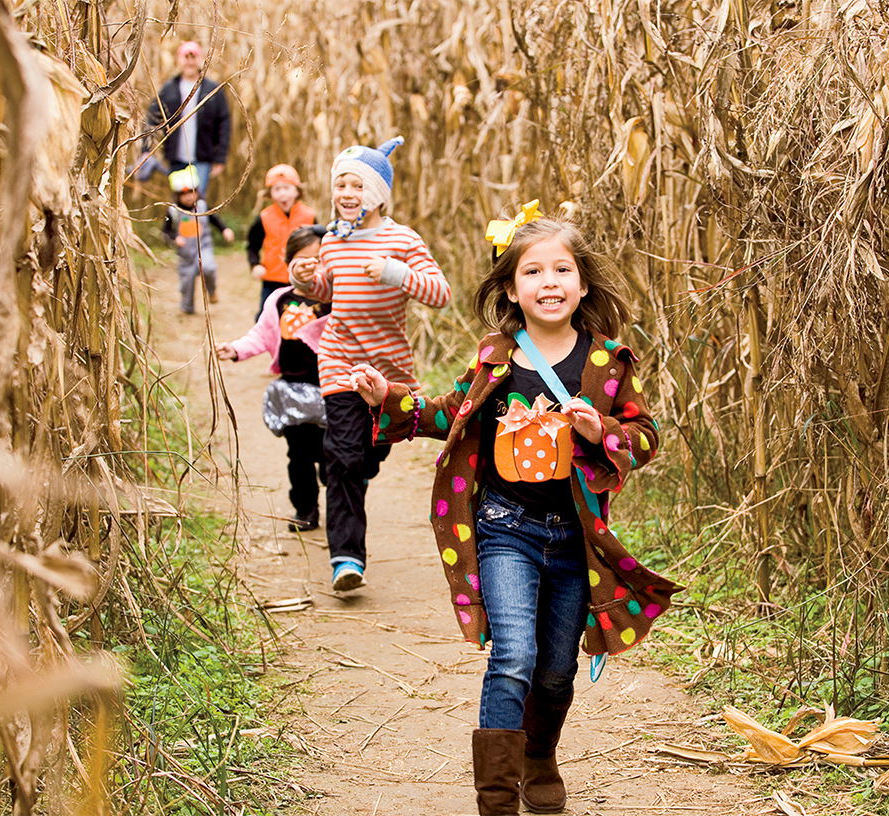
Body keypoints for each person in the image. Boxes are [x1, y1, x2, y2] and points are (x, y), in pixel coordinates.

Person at [344, 204, 682, 816]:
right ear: (510, 287)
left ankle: (539, 757)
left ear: (582, 284)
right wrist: (390, 399)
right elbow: (453, 411)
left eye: (561, 270)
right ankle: (495, 798)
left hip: (572, 538)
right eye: (532, 272)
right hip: (505, 528)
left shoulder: (608, 363)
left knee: (555, 670)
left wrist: (598, 427)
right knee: (514, 656)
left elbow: (646, 436)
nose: (548, 283)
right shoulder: (497, 355)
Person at [289, 136, 450, 593]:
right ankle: (346, 558)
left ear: (376, 193)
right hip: (340, 362)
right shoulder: (333, 240)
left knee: (364, 456)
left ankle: (354, 467)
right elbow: (327, 290)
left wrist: (394, 272)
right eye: (339, 183)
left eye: (356, 184)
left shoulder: (402, 240)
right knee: (342, 456)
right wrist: (306, 280)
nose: (345, 193)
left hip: (390, 373)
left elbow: (440, 294)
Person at [216, 226, 329, 531]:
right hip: (292, 392)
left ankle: (337, 500)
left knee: (331, 456)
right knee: (299, 455)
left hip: (331, 391)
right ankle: (305, 511)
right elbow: (262, 335)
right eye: (304, 260)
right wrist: (236, 348)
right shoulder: (280, 299)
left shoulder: (338, 299)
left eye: (320, 259)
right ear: (289, 262)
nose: (312, 266)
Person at [147, 40, 231, 197]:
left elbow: (224, 123)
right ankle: (184, 223)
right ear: (179, 60)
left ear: (200, 60)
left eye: (194, 57)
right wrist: (146, 150)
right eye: (186, 57)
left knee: (196, 200)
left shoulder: (213, 90)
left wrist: (220, 157)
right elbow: (152, 117)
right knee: (180, 201)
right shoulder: (169, 89)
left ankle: (200, 222)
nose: (190, 61)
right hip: (176, 158)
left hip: (202, 157)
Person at [246, 164, 316, 318]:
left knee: (303, 316)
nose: (282, 193)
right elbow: (252, 245)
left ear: (297, 191)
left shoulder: (309, 216)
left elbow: (320, 245)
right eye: (276, 189)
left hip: (302, 277)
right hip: (272, 279)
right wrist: (255, 264)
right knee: (266, 316)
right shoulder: (263, 218)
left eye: (286, 188)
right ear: (269, 193)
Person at [162, 166, 233, 315]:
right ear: (177, 196)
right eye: (184, 194)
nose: (189, 197)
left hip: (204, 247)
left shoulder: (202, 206)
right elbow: (165, 232)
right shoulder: (174, 211)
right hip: (185, 254)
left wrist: (225, 230)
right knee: (186, 280)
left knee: (208, 268)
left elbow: (215, 220)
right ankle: (187, 307)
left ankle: (212, 290)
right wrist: (175, 239)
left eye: (191, 193)